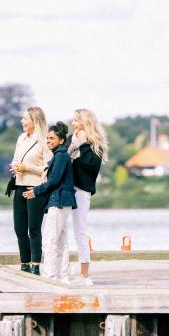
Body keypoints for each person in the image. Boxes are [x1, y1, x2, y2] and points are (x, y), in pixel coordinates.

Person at [23, 122, 76, 282]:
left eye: (52, 138)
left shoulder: (60, 156)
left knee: (50, 240)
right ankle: (62, 275)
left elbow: (54, 180)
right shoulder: (60, 155)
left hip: (59, 201)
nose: (48, 141)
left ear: (61, 140)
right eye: (47, 138)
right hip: (63, 201)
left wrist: (36, 190)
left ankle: (50, 276)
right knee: (61, 241)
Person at [67, 108, 107, 286]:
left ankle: (84, 274)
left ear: (85, 122)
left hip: (81, 191)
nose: (73, 123)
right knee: (59, 230)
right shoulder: (71, 140)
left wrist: (82, 145)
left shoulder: (94, 144)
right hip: (64, 190)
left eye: (76, 120)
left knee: (80, 231)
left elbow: (90, 166)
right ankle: (62, 271)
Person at [11, 106, 52, 275]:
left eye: (25, 118)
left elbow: (48, 168)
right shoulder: (21, 138)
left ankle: (36, 266)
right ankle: (24, 264)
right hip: (19, 186)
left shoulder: (44, 140)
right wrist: (15, 167)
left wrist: (27, 167)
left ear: (35, 121)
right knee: (19, 228)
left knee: (33, 229)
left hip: (35, 188)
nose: (22, 121)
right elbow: (15, 159)